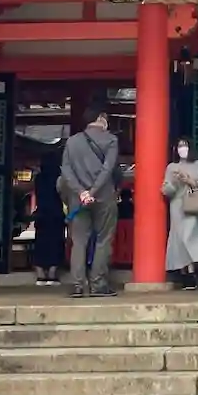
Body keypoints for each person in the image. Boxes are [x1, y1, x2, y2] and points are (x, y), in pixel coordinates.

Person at [61, 104, 120, 297]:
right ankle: (98, 285)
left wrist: (82, 193)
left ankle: (78, 285)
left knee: (78, 242)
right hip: (104, 197)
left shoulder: (72, 142)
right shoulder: (111, 140)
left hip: (78, 199)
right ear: (101, 118)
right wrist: (93, 191)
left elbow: (66, 170)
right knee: (103, 240)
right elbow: (108, 169)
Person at [162, 136, 198, 290]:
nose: (182, 149)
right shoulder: (172, 167)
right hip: (176, 205)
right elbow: (166, 190)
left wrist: (189, 181)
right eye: (179, 146)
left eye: (185, 145)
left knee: (189, 237)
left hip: (191, 204)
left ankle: (191, 270)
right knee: (178, 239)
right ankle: (185, 272)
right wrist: (175, 182)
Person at [31, 149, 65, 286]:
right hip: (56, 213)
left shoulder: (39, 178)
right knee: (55, 242)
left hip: (42, 213)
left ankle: (40, 273)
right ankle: (52, 273)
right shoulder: (59, 178)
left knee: (41, 242)